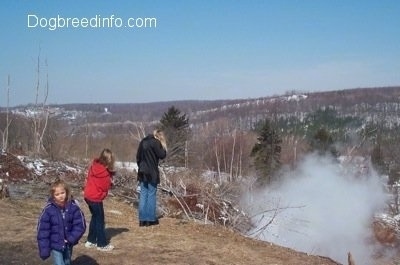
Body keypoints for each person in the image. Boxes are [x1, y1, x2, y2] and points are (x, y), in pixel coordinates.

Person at [37, 179, 86, 265]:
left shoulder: (73, 207)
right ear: (53, 196)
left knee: (67, 262)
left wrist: (71, 238)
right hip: (55, 243)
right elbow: (43, 230)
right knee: (59, 263)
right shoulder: (48, 210)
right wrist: (44, 249)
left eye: (62, 193)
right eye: (57, 194)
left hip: (68, 243)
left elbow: (80, 225)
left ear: (66, 192)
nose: (60, 196)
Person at [83, 148, 115, 251]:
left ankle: (91, 240)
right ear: (110, 160)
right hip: (95, 198)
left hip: (88, 196)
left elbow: (91, 179)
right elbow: (105, 187)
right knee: (100, 220)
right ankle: (102, 244)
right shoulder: (105, 174)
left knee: (95, 217)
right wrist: (110, 183)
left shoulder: (93, 166)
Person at [136, 129, 167, 227]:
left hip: (142, 171)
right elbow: (162, 155)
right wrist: (163, 146)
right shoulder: (156, 142)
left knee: (143, 195)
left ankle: (142, 220)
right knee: (151, 195)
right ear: (159, 136)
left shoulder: (143, 141)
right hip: (152, 172)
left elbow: (138, 157)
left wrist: (140, 166)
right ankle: (150, 219)